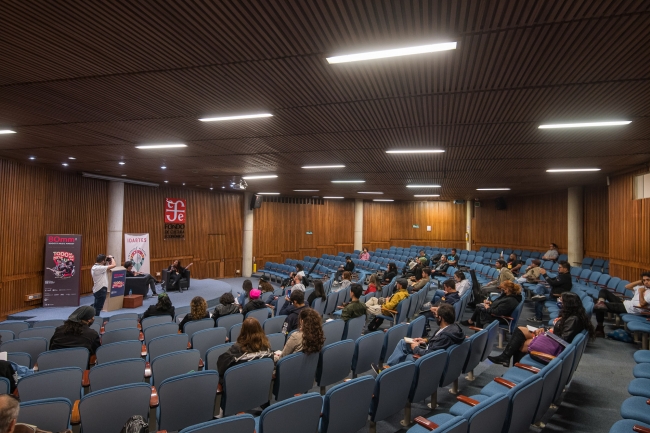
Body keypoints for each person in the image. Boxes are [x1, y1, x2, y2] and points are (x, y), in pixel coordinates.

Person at [488, 292, 594, 366]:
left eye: (561, 300)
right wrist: (545, 329)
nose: (559, 301)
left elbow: (563, 338)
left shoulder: (574, 319)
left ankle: (512, 364)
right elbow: (560, 329)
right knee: (520, 329)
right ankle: (505, 357)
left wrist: (547, 332)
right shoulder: (570, 315)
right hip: (552, 337)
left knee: (523, 344)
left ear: (569, 304)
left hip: (556, 346)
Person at [381, 303, 465, 368]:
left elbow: (431, 354)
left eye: (436, 315)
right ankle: (390, 367)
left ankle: (391, 370)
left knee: (408, 356)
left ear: (440, 318)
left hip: (428, 362)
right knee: (403, 342)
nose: (435, 317)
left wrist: (416, 348)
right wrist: (424, 341)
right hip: (431, 351)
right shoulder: (452, 327)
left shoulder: (445, 336)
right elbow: (437, 343)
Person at [216, 318, 273, 383]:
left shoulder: (235, 350)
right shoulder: (267, 350)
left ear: (242, 331)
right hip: (259, 385)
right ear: (260, 330)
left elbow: (220, 368)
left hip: (237, 386)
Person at [594, 272, 650, 337]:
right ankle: (600, 302)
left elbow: (642, 304)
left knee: (599, 307)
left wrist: (640, 292)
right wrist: (640, 282)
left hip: (630, 309)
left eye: (648, 280)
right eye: (644, 280)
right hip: (626, 303)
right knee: (604, 291)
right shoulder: (642, 287)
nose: (646, 282)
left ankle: (600, 328)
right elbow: (627, 286)